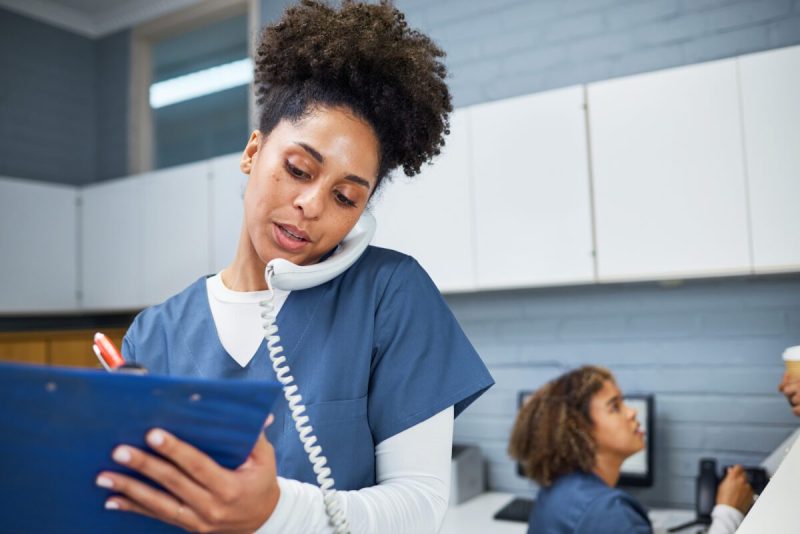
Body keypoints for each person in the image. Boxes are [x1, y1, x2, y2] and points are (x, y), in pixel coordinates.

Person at [93, 1, 494, 532]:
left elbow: (418, 506)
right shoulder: (155, 333)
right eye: (298, 168)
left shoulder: (389, 294)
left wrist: (274, 511)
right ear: (252, 151)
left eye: (346, 198)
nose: (311, 204)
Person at [508, 366, 752, 534]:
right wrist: (728, 513)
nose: (631, 412)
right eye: (615, 406)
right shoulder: (606, 511)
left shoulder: (558, 489)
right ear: (580, 429)